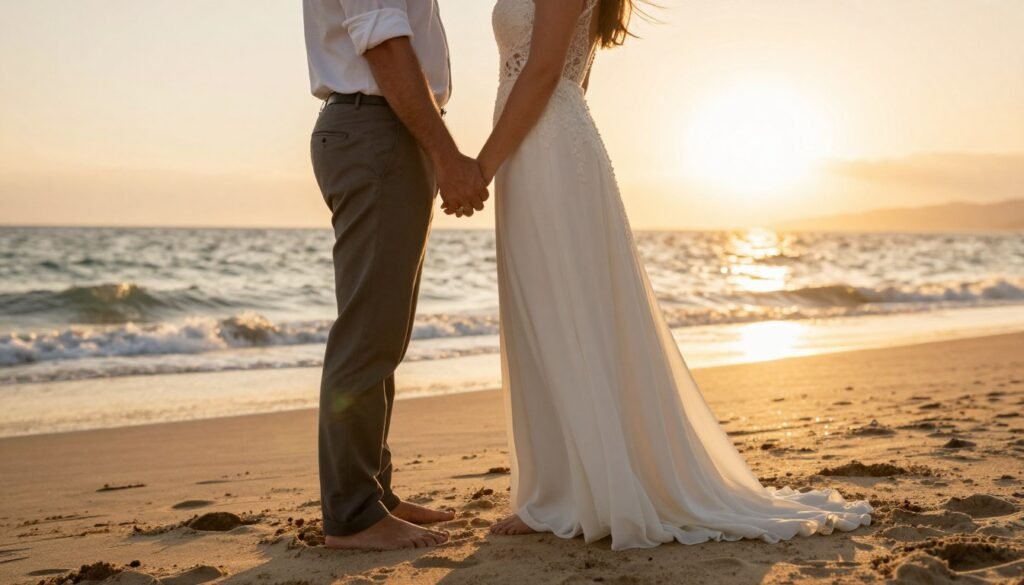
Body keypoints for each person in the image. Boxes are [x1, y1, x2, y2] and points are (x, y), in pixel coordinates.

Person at [480, 0, 873, 550]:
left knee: (563, 309)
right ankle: (558, 484)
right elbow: (571, 75)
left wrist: (482, 164)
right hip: (540, 140)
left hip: (543, 142)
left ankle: (573, 489)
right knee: (543, 309)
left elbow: (546, 71)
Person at [303, 0, 488, 551]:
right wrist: (448, 155)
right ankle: (353, 515)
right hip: (375, 128)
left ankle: (373, 494)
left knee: (383, 330)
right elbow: (384, 44)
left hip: (381, 129)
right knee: (368, 331)